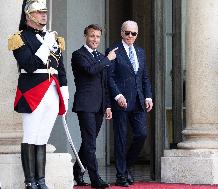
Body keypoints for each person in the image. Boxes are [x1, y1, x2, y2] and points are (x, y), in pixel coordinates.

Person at [8, 0, 69, 188]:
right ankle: (29, 181)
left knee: (42, 137)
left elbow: (60, 68)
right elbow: (30, 65)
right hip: (33, 91)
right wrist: (46, 45)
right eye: (39, 12)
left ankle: (41, 180)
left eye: (45, 11)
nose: (44, 15)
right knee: (30, 136)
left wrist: (65, 92)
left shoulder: (53, 38)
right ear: (29, 16)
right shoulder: (20, 38)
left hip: (52, 90)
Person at [106, 20, 153, 187]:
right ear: (121, 33)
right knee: (120, 139)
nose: (130, 36)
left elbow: (144, 77)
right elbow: (109, 77)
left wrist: (148, 96)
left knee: (141, 134)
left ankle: (127, 167)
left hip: (138, 101)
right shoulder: (113, 51)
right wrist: (117, 95)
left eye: (134, 33)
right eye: (127, 33)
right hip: (121, 102)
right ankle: (121, 175)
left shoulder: (140, 52)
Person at [71, 24, 117, 189]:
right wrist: (107, 59)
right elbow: (90, 71)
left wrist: (108, 106)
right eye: (92, 36)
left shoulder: (100, 56)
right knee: (90, 143)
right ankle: (95, 179)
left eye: (98, 37)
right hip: (85, 105)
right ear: (85, 36)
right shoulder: (78, 55)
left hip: (99, 106)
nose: (95, 39)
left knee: (88, 141)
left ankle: (76, 170)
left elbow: (104, 84)